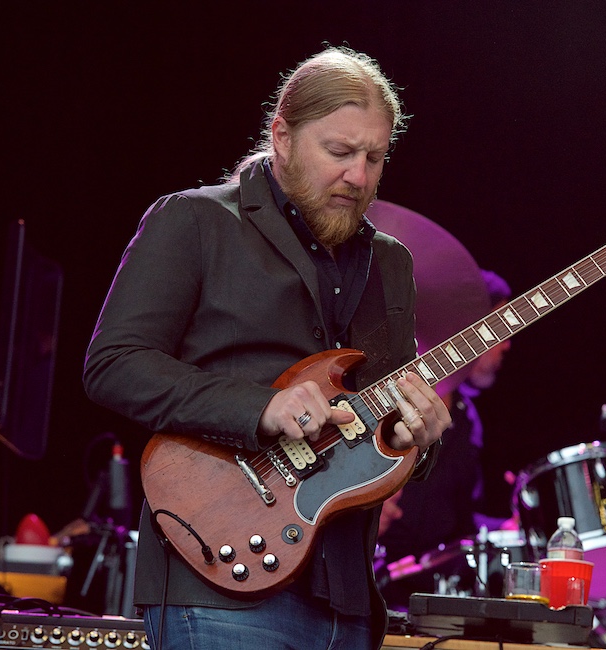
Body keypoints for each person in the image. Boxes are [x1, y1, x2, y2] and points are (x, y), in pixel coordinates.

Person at [82, 46, 451, 650]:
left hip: (349, 598)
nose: (358, 176)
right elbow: (113, 365)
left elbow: (386, 426)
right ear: (281, 135)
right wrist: (259, 407)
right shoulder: (194, 221)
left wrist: (421, 438)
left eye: (374, 158)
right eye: (339, 152)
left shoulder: (391, 263)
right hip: (218, 586)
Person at [377, 270, 513, 606]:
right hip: (371, 583)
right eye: (500, 331)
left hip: (431, 594)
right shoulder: (388, 397)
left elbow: (455, 522)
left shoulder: (468, 418)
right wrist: (363, 511)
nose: (507, 345)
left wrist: (507, 531)